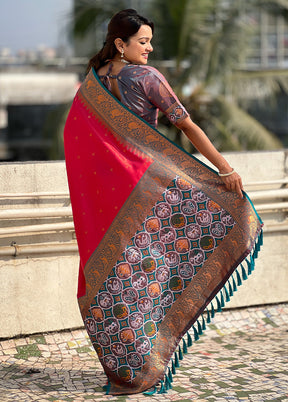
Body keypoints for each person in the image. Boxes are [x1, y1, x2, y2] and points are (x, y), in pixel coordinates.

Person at [64, 9, 263, 396]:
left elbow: (76, 140)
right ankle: (141, 367)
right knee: (149, 274)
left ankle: (124, 371)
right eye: (143, 42)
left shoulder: (92, 83)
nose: (150, 49)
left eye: (150, 41)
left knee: (121, 280)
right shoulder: (147, 78)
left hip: (107, 200)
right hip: (146, 194)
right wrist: (224, 170)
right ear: (120, 44)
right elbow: (185, 125)